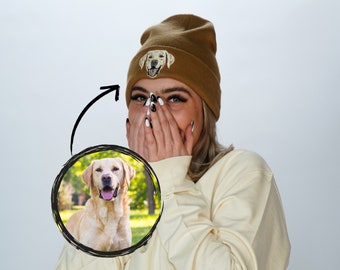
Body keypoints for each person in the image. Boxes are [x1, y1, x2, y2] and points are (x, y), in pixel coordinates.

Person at [55, 14, 290, 269]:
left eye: (175, 98)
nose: (152, 112)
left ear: (205, 112)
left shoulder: (243, 172)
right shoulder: (123, 194)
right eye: (140, 97)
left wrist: (170, 181)